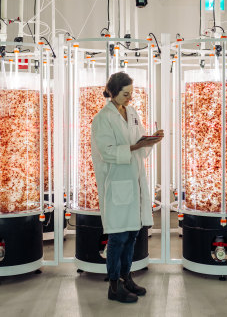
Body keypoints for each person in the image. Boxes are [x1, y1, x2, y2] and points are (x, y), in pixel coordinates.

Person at [91, 71, 164, 304]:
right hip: (117, 182)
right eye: (125, 94)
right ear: (112, 93)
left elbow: (138, 141)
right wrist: (135, 146)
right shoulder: (103, 118)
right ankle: (114, 285)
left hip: (135, 180)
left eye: (131, 94)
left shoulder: (131, 112)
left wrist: (150, 140)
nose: (130, 98)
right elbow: (108, 152)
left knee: (132, 234)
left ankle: (127, 278)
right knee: (118, 237)